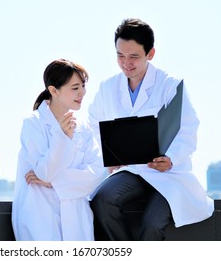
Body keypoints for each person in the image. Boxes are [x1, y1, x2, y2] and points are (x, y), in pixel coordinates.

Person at [88, 18, 214, 241]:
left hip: (168, 173)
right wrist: (108, 156)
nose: (126, 63)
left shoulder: (169, 85)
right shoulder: (107, 88)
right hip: (131, 171)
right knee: (102, 200)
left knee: (153, 223)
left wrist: (171, 158)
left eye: (134, 56)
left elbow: (188, 127)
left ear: (151, 53)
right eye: (120, 55)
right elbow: (93, 125)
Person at [12, 58, 106, 241]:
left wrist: (54, 183)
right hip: (40, 217)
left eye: (83, 86)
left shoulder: (84, 128)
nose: (82, 93)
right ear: (54, 91)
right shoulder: (33, 124)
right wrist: (62, 137)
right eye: (75, 88)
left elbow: (96, 174)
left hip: (77, 219)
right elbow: (44, 172)